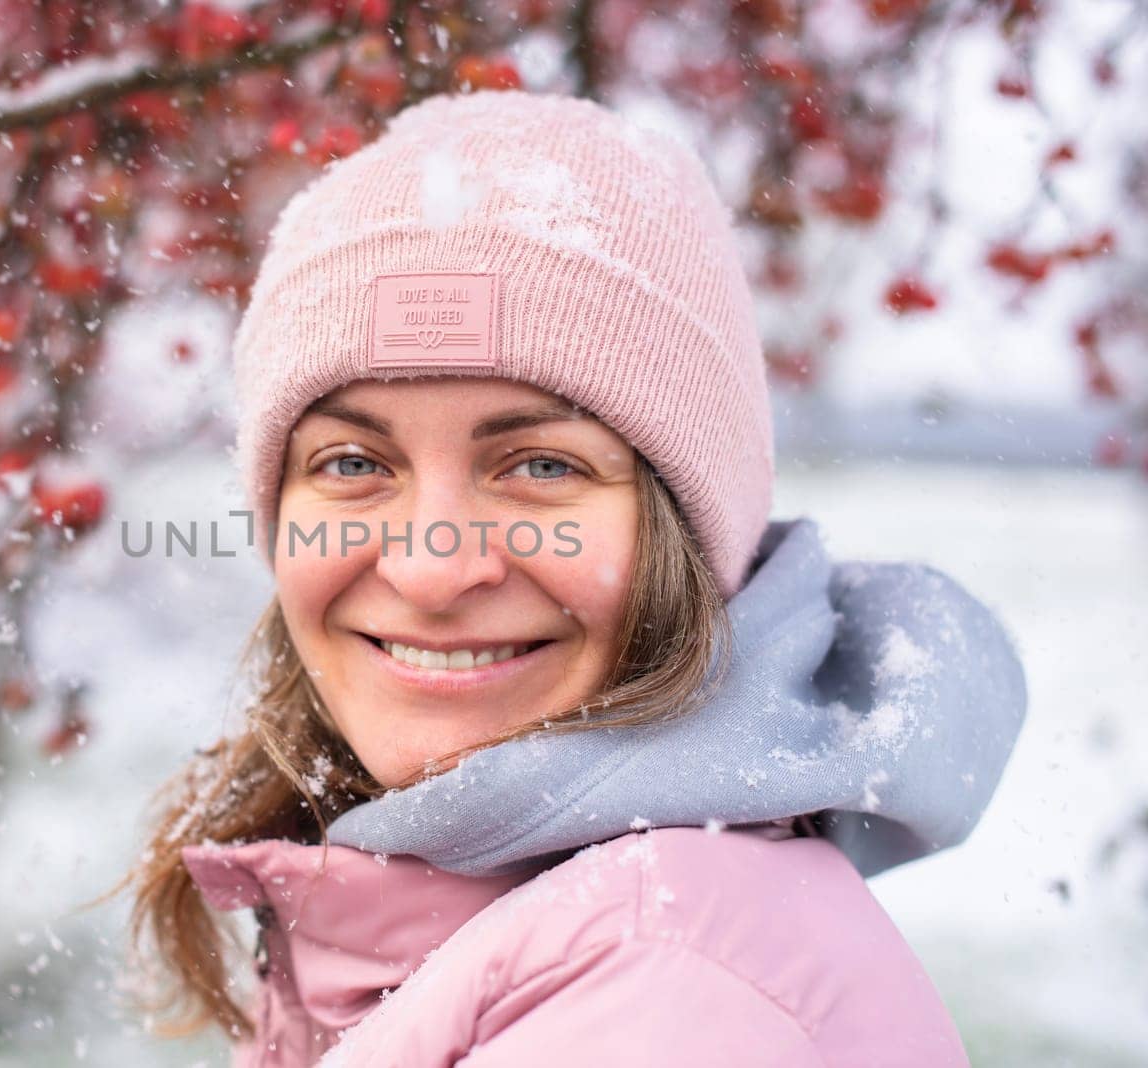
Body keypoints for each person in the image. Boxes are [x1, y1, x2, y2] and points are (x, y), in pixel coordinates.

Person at [116, 89, 1028, 1066]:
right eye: (352, 465)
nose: (431, 571)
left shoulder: (670, 993)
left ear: (683, 533)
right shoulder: (536, 921)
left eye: (540, 468)